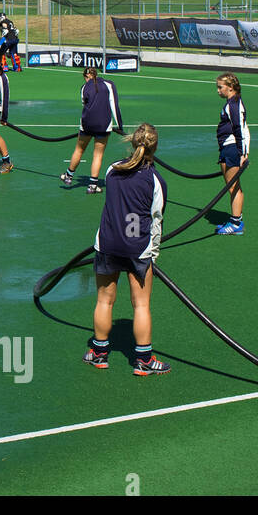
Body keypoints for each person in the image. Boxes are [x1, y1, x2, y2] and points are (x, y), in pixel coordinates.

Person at [85, 123, 171, 376]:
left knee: (104, 300)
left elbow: (112, 203)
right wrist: (153, 253)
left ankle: (99, 354)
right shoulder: (156, 180)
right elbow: (157, 220)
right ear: (155, 147)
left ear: (133, 143)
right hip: (138, 248)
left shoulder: (113, 170)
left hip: (109, 243)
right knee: (141, 305)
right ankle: (143, 360)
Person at [61, 66, 123, 193]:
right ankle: (93, 185)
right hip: (103, 125)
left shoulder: (84, 88)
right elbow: (114, 106)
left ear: (86, 76)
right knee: (98, 155)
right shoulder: (109, 85)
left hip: (87, 124)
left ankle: (68, 176)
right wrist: (120, 126)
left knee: (79, 150)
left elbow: (85, 105)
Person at [215, 72, 249, 235]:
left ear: (230, 87)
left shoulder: (234, 104)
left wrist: (242, 153)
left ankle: (236, 223)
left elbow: (240, 129)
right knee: (232, 186)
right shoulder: (232, 103)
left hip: (232, 149)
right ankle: (235, 220)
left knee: (233, 187)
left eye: (220, 87)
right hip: (228, 148)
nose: (218, 91)